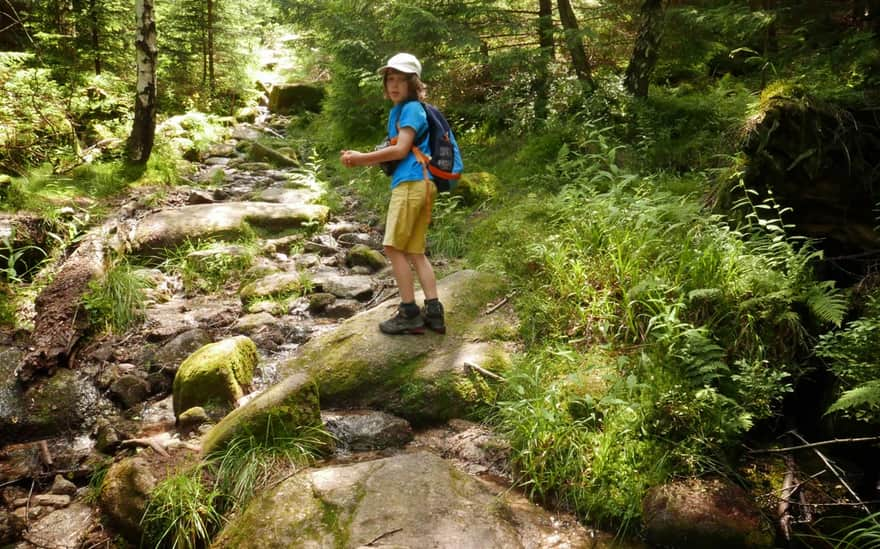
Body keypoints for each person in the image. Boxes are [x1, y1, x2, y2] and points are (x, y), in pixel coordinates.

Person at [340, 52, 445, 335]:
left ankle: (409, 311)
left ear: (413, 83)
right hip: (420, 182)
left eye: (401, 79)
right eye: (390, 79)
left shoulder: (411, 109)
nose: (394, 85)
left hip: (412, 183)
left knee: (392, 247)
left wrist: (361, 157)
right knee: (414, 251)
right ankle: (434, 312)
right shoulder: (401, 111)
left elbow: (401, 150)